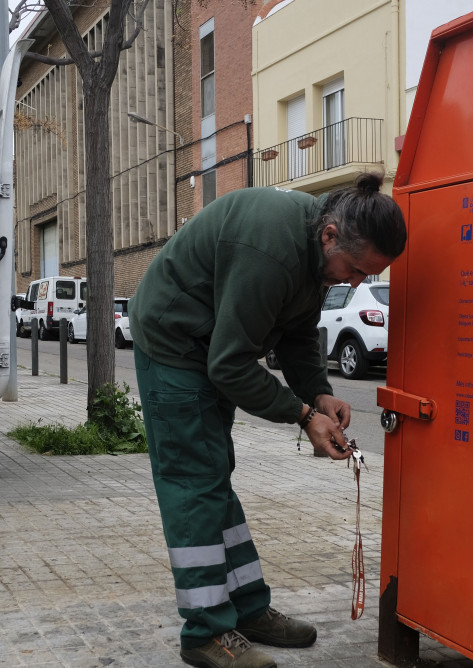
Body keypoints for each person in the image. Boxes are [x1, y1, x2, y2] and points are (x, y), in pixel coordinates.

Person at [128, 172, 407, 668]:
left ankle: (247, 609)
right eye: (356, 270)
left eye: (368, 277)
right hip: (175, 342)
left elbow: (296, 334)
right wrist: (302, 416)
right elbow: (229, 364)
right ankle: (204, 633)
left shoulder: (315, 254)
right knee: (194, 484)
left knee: (212, 476)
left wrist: (319, 392)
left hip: (208, 344)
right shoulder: (272, 252)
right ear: (330, 235)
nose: (357, 283)